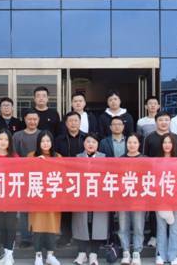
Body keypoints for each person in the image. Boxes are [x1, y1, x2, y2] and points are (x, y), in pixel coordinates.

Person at [72, 133, 108, 265]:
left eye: (93, 142)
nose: (91, 144)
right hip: (82, 197)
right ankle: (81, 253)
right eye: (88, 141)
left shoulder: (104, 158)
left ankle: (94, 254)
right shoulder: (77, 158)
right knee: (82, 224)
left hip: (98, 197)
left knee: (97, 224)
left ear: (98, 144)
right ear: (84, 144)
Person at [28, 131, 62, 265]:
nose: (45, 144)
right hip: (37, 196)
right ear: (38, 143)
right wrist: (36, 162)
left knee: (51, 227)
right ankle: (37, 255)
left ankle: (50, 255)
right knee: (38, 227)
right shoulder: (32, 156)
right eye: (43, 141)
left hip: (52, 197)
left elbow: (62, 174)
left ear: (52, 142)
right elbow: (26, 173)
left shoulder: (57, 156)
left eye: (48, 141)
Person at [55, 111, 86, 247]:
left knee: (80, 209)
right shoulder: (58, 140)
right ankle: (65, 236)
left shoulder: (86, 138)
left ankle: (80, 236)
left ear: (80, 122)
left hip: (83, 178)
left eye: (76, 121)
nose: (73, 123)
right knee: (65, 209)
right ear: (66, 124)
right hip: (64, 178)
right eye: (70, 121)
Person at [0, 129, 19, 265]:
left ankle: (9, 254)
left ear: (9, 142)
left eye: (6, 139)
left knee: (10, 225)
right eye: (0, 139)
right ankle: (6, 253)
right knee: (1, 226)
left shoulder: (15, 157)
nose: (3, 142)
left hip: (11, 196)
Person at [13, 109, 42, 248]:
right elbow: (14, 156)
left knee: (38, 209)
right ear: (24, 119)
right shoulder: (17, 136)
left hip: (40, 177)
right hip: (22, 176)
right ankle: (25, 237)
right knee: (24, 210)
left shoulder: (43, 135)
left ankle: (38, 236)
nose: (32, 122)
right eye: (29, 119)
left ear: (38, 120)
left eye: (35, 119)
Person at [155, 134, 177, 265]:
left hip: (175, 198)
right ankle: (160, 254)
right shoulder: (156, 161)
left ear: (174, 145)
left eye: (169, 142)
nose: (167, 145)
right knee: (161, 227)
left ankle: (173, 255)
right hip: (160, 198)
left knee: (174, 227)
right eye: (164, 142)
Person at [119, 133, 145, 265]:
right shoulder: (120, 159)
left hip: (139, 198)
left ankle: (136, 252)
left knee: (138, 226)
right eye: (129, 142)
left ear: (139, 144)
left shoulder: (145, 159)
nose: (132, 145)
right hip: (123, 198)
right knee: (123, 226)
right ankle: (125, 251)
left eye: (135, 142)